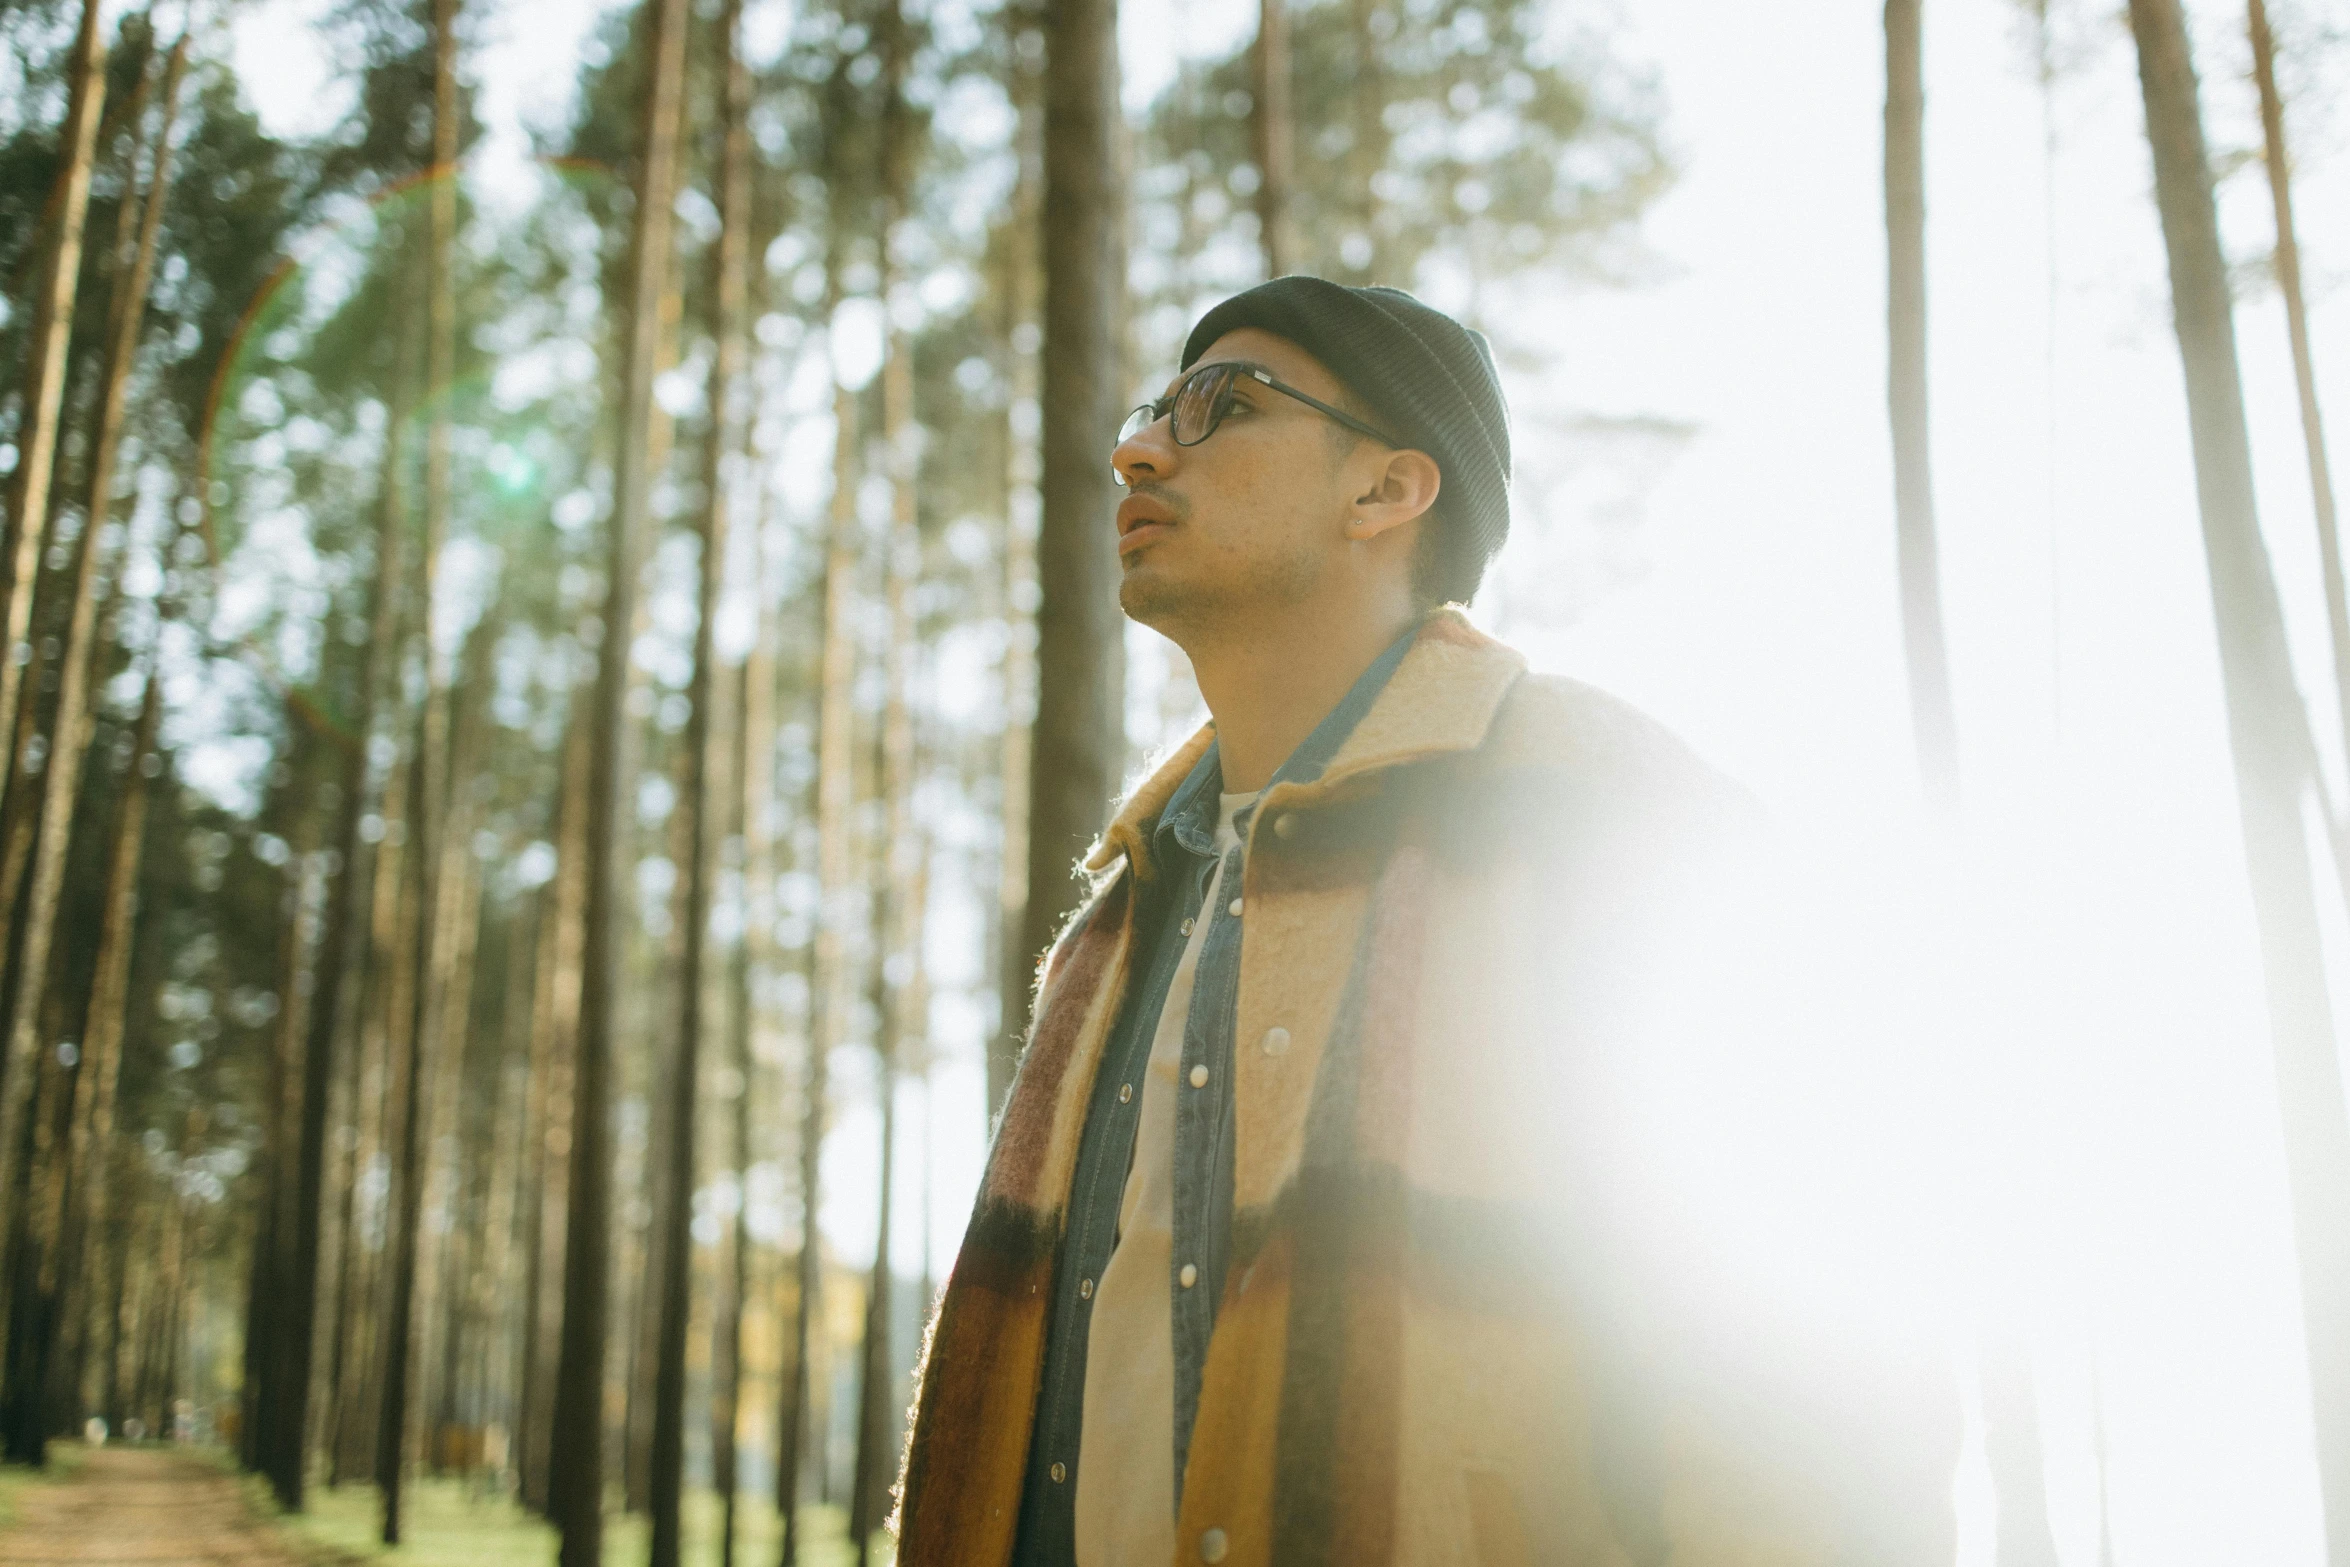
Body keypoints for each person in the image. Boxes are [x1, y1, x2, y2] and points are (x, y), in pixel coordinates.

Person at [893, 277, 1958, 1566]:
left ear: (1388, 491)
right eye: (1151, 412)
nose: (1138, 447)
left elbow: (1830, 1386)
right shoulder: (1121, 909)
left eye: (1220, 406)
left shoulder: (1604, 808)